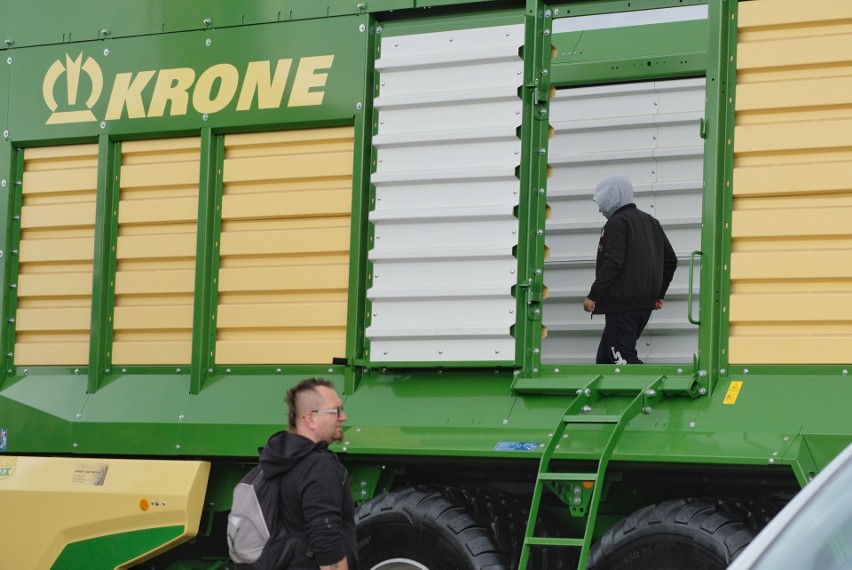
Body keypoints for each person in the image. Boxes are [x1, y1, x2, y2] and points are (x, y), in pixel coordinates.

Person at [259, 378, 358, 570]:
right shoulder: (318, 467)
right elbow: (326, 540)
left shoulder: (281, 460)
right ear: (311, 419)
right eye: (336, 410)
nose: (343, 417)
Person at [583, 175, 677, 364]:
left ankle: (655, 390)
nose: (600, 209)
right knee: (605, 360)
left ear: (612, 197)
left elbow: (613, 262)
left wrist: (594, 295)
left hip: (622, 307)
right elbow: (671, 260)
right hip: (643, 306)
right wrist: (659, 294)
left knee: (623, 360)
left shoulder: (617, 223)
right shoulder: (651, 222)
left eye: (602, 203)